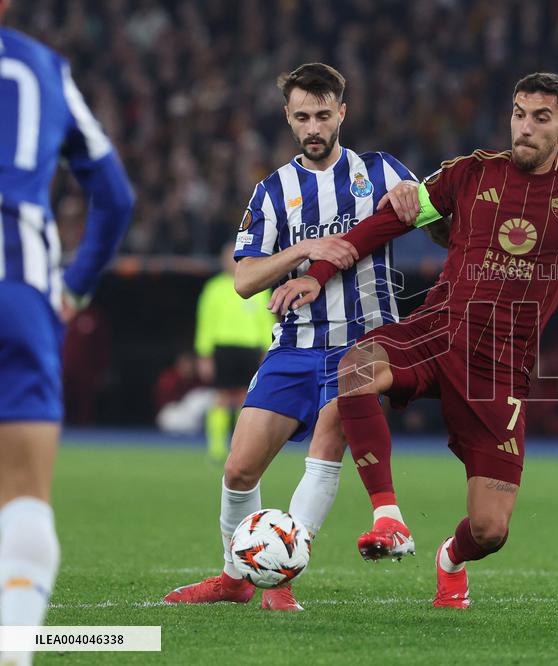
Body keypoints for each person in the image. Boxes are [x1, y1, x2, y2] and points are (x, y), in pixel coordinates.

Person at [270, 72, 558, 607]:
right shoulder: (473, 173)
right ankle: (389, 517)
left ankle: (449, 558)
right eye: (519, 114)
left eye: (541, 118)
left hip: (500, 370)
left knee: (490, 530)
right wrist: (316, 270)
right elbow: (390, 221)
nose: (525, 127)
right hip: (438, 330)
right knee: (355, 367)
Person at [164, 63, 427, 612]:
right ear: (288, 117)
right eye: (302, 116)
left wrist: (416, 202)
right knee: (239, 469)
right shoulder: (272, 191)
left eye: (323, 115)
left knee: (324, 451)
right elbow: (243, 280)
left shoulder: (380, 172)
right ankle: (237, 578)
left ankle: (279, 582)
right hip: (292, 347)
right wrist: (304, 250)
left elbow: (441, 225)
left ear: (342, 113)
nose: (314, 126)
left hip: (360, 347)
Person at [0, 1, 135, 663]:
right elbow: (115, 196)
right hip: (18, 291)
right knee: (23, 495)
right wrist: (74, 285)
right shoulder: (42, 68)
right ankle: (15, 651)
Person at [195, 242, 274, 462]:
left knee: (244, 399)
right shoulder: (214, 288)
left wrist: (268, 350)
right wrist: (204, 354)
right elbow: (206, 322)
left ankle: (239, 447)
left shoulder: (258, 286)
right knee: (221, 397)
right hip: (223, 347)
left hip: (249, 347)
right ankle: (216, 448)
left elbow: (265, 321)